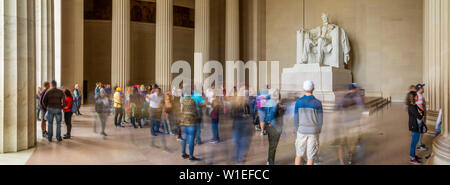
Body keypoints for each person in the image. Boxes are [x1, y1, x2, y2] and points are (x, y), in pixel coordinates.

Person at [294, 80, 323, 165]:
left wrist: (297, 129)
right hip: (313, 131)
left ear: (303, 88)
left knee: (298, 154)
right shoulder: (317, 103)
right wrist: (319, 130)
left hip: (301, 130)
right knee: (311, 156)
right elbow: (320, 120)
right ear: (313, 88)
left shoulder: (298, 101)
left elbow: (296, 118)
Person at [231, 95, 253, 165]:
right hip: (243, 123)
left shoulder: (235, 105)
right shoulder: (246, 105)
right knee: (241, 142)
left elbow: (232, 116)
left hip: (237, 123)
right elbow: (249, 114)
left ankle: (238, 158)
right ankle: (239, 160)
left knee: (238, 143)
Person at [180, 94, 201, 161]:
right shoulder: (193, 101)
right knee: (191, 138)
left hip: (183, 122)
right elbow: (195, 112)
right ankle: (191, 157)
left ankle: (183, 154)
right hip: (191, 122)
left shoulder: (183, 100)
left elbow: (181, 110)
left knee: (184, 138)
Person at [265, 94, 283, 165]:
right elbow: (272, 118)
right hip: (274, 127)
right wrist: (278, 128)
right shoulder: (275, 104)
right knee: (273, 146)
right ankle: (270, 162)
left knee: (271, 145)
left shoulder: (268, 102)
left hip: (269, 126)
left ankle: (269, 161)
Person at [407, 91, 423, 164]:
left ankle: (413, 155)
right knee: (414, 143)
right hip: (414, 126)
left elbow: (420, 112)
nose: (418, 97)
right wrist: (422, 113)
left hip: (417, 125)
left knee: (416, 141)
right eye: (416, 96)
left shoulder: (414, 105)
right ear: (413, 97)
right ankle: (412, 158)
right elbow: (419, 116)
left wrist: (421, 113)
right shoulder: (411, 106)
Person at [415, 84, 427, 151]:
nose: (423, 88)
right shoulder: (419, 96)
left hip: (418, 115)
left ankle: (419, 143)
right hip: (420, 116)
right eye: (422, 87)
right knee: (419, 130)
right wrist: (424, 114)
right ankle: (419, 145)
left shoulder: (418, 95)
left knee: (419, 130)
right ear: (420, 89)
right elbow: (420, 105)